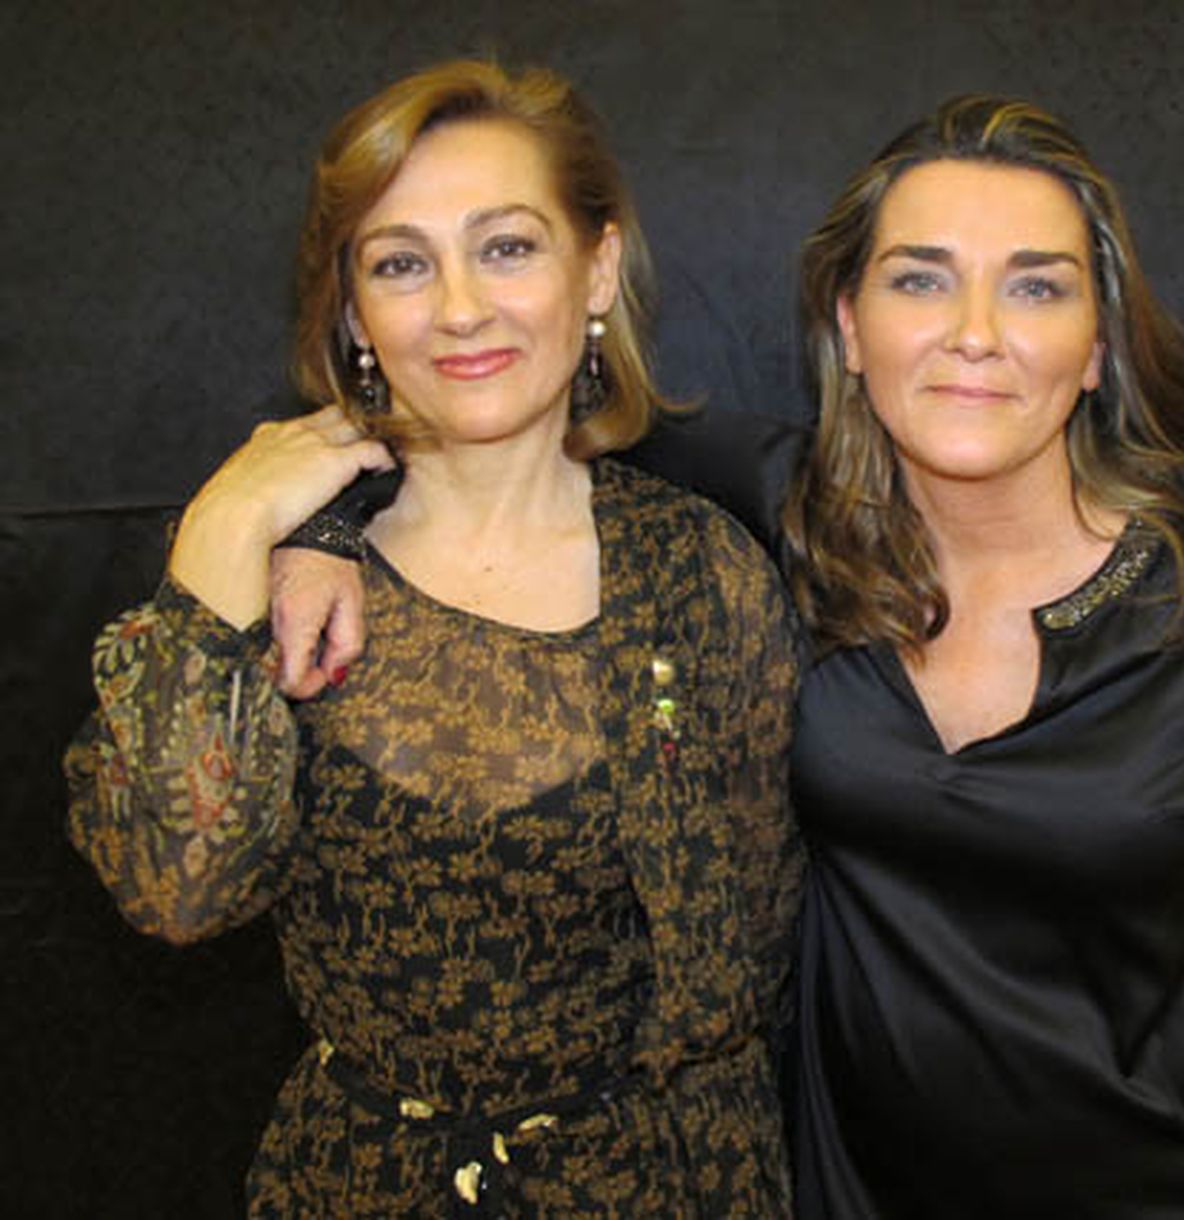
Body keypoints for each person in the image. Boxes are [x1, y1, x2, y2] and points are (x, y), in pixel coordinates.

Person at [269, 95, 1184, 1218]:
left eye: (1036, 286)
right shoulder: (776, 516)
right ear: (848, 323)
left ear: (1097, 345)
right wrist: (318, 525)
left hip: (1161, 1182)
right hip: (851, 1188)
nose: (973, 332)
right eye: (920, 280)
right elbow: (500, 404)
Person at [64, 60, 803, 1218]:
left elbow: (772, 920)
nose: (460, 307)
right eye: (401, 263)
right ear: (353, 310)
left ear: (595, 266)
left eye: (505, 246)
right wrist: (227, 526)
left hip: (667, 1180)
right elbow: (179, 886)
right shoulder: (254, 572)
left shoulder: (706, 571)